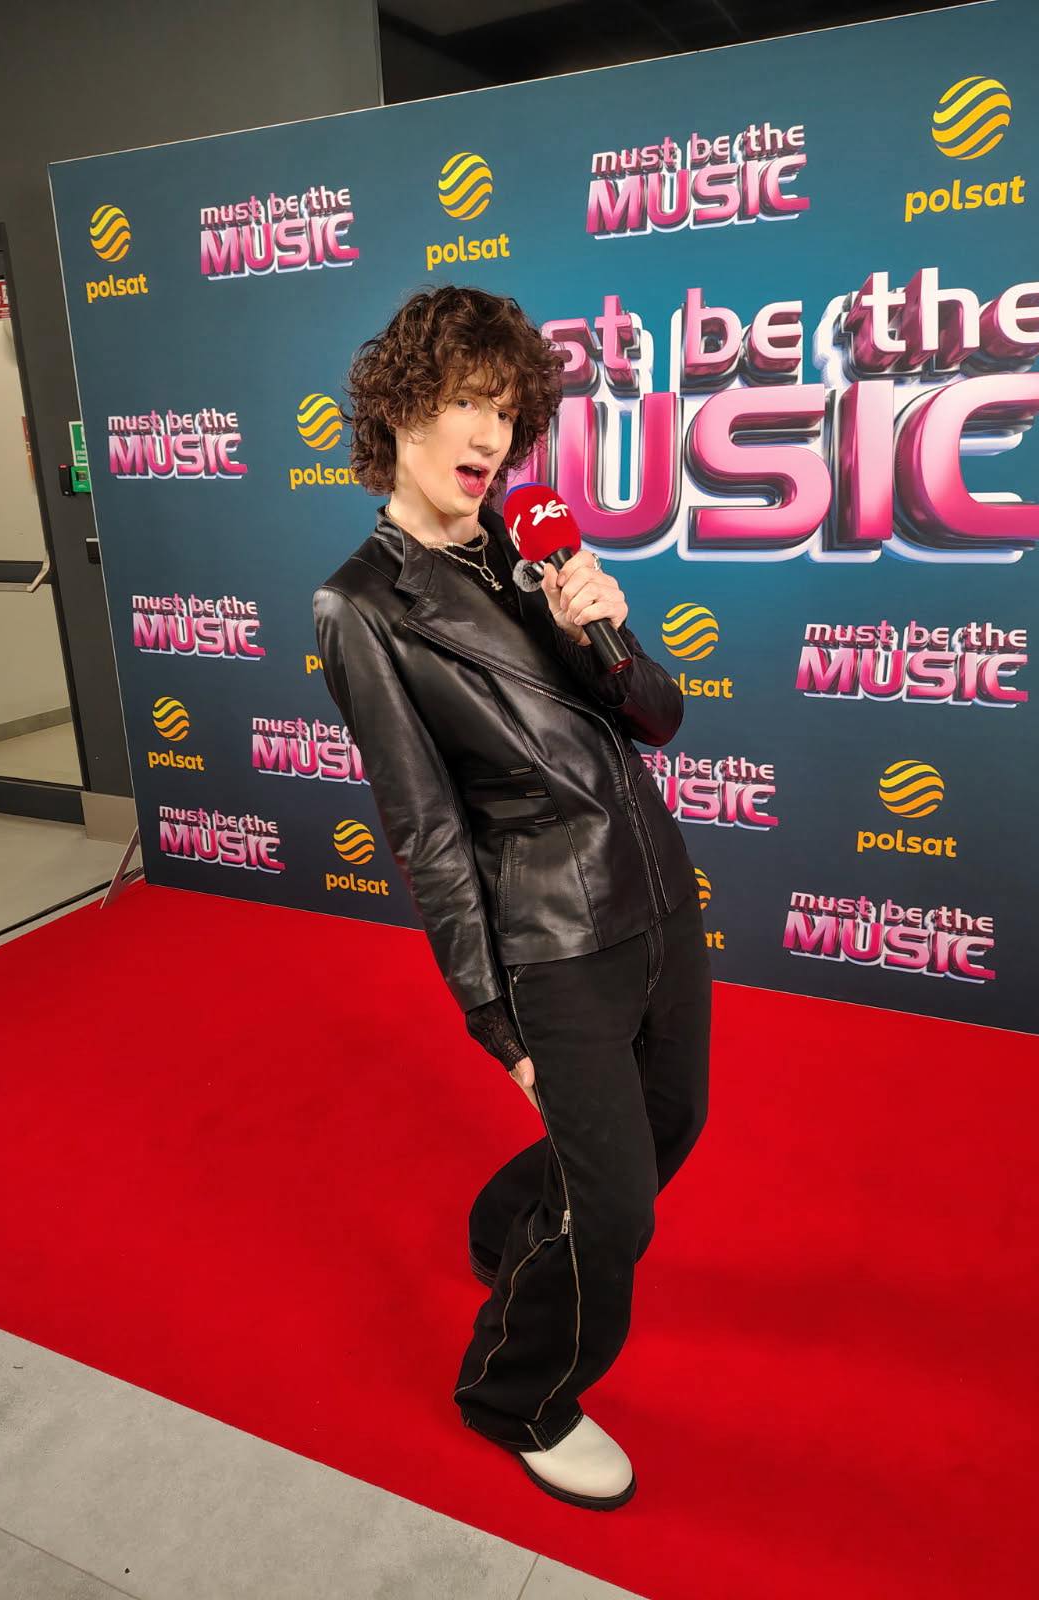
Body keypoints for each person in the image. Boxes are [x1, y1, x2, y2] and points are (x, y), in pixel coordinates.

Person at [312, 284, 711, 1511]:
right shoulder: (362, 607)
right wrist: (497, 1021)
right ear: (399, 413)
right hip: (554, 938)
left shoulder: (530, 549)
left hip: (657, 892)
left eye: (505, 409)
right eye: (461, 403)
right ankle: (515, 1391)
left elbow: (658, 720)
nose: (489, 434)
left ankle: (505, 1229)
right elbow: (428, 836)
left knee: (673, 1125)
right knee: (617, 1206)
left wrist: (610, 631)